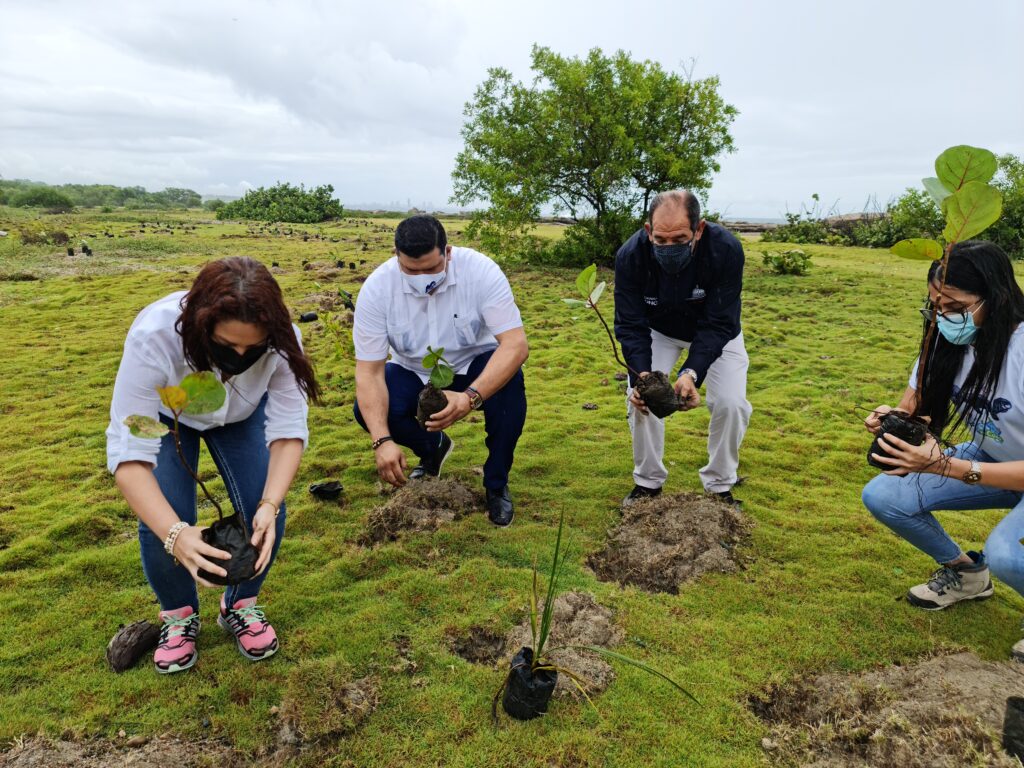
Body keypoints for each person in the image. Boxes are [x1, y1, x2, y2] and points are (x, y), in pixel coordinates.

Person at [107, 257, 320, 673]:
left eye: (252, 349)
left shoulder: (283, 341)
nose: (240, 356)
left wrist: (271, 504)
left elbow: (288, 428)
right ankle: (178, 615)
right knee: (168, 518)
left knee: (262, 509)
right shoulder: (155, 336)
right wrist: (176, 534)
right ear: (199, 324)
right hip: (169, 416)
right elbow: (129, 452)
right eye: (227, 346)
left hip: (241, 419)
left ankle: (240, 603)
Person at [862, 240, 1024, 659]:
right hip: (991, 459)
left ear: (996, 297)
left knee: (1007, 554)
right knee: (883, 495)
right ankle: (967, 575)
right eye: (934, 305)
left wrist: (947, 466)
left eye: (954, 306)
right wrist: (894, 418)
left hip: (998, 468)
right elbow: (914, 401)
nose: (941, 317)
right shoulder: (944, 341)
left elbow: (954, 467)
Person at [352, 214, 529, 527]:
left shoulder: (481, 272)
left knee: (509, 386)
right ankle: (431, 449)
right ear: (396, 256)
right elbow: (369, 373)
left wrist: (470, 397)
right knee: (368, 409)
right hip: (413, 370)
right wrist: (382, 441)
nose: (423, 277)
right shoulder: (378, 289)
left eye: (432, 268)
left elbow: (515, 345)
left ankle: (496, 482)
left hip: (475, 364)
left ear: (448, 252)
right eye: (411, 270)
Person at [614, 189, 752, 507]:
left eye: (680, 239)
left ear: (699, 229)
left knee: (732, 404)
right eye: (661, 241)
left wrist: (692, 373)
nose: (669, 248)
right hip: (658, 330)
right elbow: (630, 325)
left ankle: (719, 485)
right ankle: (647, 483)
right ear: (649, 231)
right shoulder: (631, 256)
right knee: (639, 398)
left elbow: (719, 322)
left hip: (718, 332)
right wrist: (642, 376)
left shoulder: (726, 250)